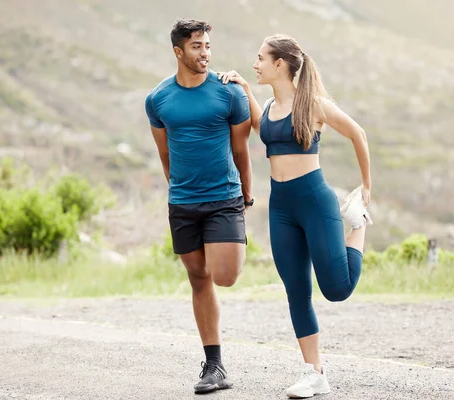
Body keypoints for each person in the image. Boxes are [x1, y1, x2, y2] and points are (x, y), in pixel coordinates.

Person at [218, 34, 373, 398]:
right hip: (281, 208)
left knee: (336, 288)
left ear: (280, 64)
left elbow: (358, 134)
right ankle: (314, 373)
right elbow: (263, 128)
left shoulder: (315, 105)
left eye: (260, 59)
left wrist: (366, 188)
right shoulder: (270, 107)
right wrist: (244, 88)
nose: (255, 64)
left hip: (315, 201)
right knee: (296, 291)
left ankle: (358, 224)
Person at [144, 19, 254, 395]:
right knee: (198, 277)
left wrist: (246, 194)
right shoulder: (158, 99)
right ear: (179, 51)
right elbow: (165, 153)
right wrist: (179, 190)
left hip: (224, 199)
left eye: (207, 46)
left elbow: (242, 149)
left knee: (225, 276)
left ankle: (232, 240)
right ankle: (214, 364)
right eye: (196, 47)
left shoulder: (229, 94)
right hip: (184, 204)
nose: (205, 53)